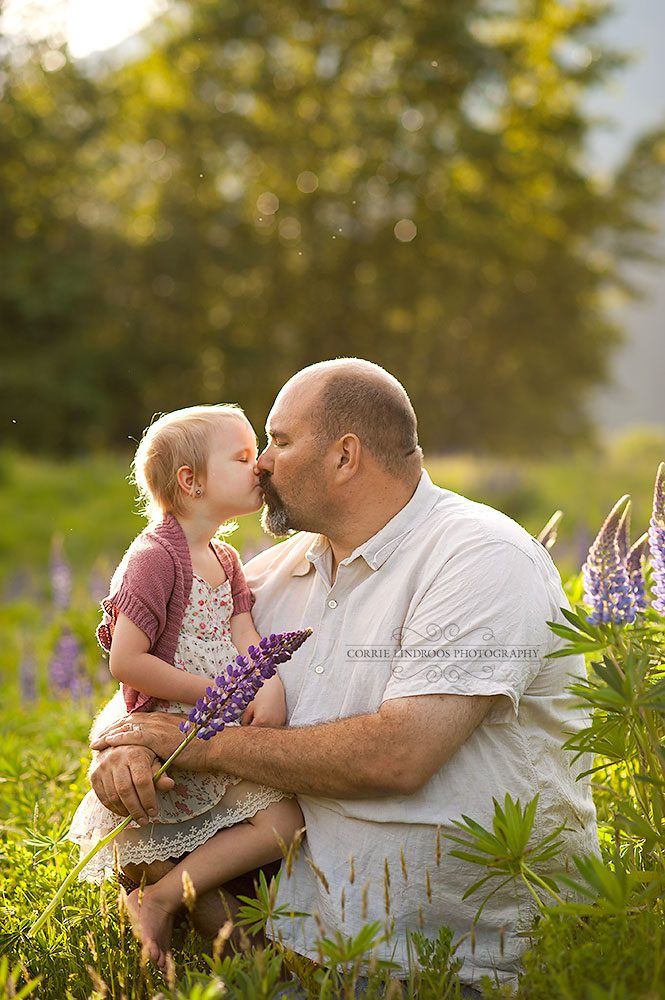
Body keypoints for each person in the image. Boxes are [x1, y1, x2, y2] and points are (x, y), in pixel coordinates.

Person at [90, 359, 600, 994]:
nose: (263, 465)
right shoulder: (271, 575)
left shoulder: (477, 558)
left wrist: (189, 745)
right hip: (287, 951)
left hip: (457, 963)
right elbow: (158, 685)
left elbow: (400, 755)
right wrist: (125, 749)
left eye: (278, 441)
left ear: (344, 457)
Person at [68, 403, 304, 971]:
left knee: (284, 824)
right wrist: (213, 691)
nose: (260, 467)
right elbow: (126, 661)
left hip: (216, 727)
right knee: (165, 844)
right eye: (243, 457)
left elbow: (245, 632)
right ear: (191, 481)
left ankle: (161, 898)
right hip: (170, 736)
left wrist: (264, 684)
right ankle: (152, 897)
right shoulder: (153, 558)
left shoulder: (224, 557)